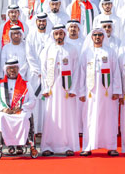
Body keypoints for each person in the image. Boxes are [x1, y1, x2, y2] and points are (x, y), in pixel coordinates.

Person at [40, 24, 81, 156]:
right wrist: (45, 87)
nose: (59, 36)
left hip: (67, 90)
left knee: (68, 117)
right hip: (52, 89)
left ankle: (69, 145)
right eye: (56, 34)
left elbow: (76, 70)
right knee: (51, 116)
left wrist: (74, 88)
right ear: (53, 35)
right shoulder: (48, 49)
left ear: (64, 34)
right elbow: (44, 70)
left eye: (61, 33)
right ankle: (48, 146)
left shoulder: (72, 49)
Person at [79, 27, 121, 156]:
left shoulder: (111, 52)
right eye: (95, 35)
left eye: (100, 35)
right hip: (91, 92)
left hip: (107, 93)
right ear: (91, 37)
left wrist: (116, 90)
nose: (97, 37)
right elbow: (81, 73)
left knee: (109, 118)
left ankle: (111, 146)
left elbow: (116, 72)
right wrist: (81, 92)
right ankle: (88, 146)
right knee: (90, 118)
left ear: (104, 37)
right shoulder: (86, 53)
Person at [0, 58, 37, 155]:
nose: (12, 70)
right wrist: (2, 109)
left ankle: (20, 145)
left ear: (18, 69)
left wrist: (22, 107)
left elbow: (33, 100)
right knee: (2, 117)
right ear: (6, 70)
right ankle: (9, 144)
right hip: (5, 112)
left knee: (23, 117)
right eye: (10, 68)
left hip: (20, 112)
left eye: (14, 68)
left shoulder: (26, 84)